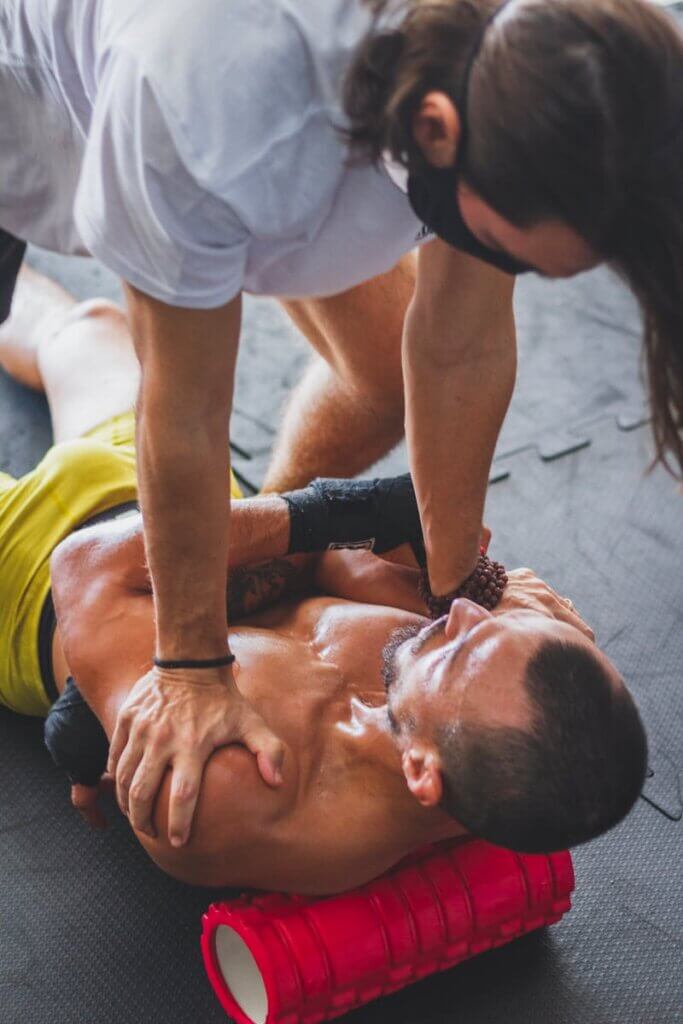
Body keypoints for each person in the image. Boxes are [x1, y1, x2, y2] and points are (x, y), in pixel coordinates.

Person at [0, 0, 677, 853]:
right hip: (55, 99)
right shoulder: (211, 105)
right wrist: (187, 662)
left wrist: (454, 565)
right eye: (516, 249)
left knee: (83, 337)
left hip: (112, 523)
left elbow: (459, 347)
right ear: (437, 130)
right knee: (119, 349)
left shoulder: (528, 71)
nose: (467, 622)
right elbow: (185, 409)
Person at [0, 269, 646, 893]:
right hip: (176, 487)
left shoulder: (232, 790)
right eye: (499, 626)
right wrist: (501, 603)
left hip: (29, 583)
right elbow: (330, 562)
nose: (461, 614)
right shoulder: (461, 715)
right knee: (86, 328)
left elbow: (87, 566)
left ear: (420, 773)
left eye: (461, 647)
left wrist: (350, 512)